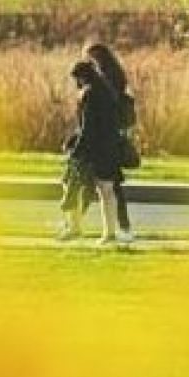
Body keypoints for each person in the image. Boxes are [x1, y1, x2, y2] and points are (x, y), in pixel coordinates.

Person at [58, 60, 122, 245]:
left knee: (71, 185)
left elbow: (87, 128)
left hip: (91, 150)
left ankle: (74, 227)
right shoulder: (108, 92)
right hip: (109, 147)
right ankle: (110, 233)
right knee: (107, 191)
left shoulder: (89, 94)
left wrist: (76, 150)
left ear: (81, 77)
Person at [83, 42, 135, 243]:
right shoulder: (114, 75)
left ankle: (120, 227)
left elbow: (104, 109)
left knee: (107, 186)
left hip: (106, 139)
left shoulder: (104, 80)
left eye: (91, 57)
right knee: (107, 186)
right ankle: (121, 227)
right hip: (113, 136)